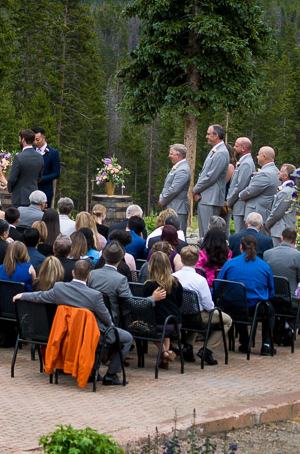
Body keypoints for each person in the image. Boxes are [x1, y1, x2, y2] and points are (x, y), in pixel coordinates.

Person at [14, 258, 133, 386]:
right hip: (90, 335)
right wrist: (113, 327)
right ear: (89, 275)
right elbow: (107, 319)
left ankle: (93, 372)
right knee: (126, 338)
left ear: (72, 273)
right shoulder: (95, 296)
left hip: (68, 334)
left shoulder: (59, 288)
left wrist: (22, 295)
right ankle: (111, 375)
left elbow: (40, 296)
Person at [217, 233, 276, 355]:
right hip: (256, 308)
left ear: (240, 247)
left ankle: (244, 342)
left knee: (237, 302)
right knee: (270, 312)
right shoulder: (265, 266)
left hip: (233, 307)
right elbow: (271, 291)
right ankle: (266, 344)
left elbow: (218, 285)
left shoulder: (230, 264)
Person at [173, 244, 225, 365]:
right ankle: (207, 349)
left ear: (181, 259)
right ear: (197, 260)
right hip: (195, 317)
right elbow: (209, 306)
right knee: (227, 321)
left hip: (178, 315)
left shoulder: (173, 277)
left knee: (195, 311)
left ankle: (188, 347)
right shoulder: (200, 280)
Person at [194, 123, 231, 237]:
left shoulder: (221, 152)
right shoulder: (215, 151)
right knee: (203, 232)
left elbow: (211, 176)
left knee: (208, 232)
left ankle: (208, 254)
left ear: (216, 135)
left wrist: (195, 189)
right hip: (206, 197)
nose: (206, 136)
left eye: (208, 134)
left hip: (211, 198)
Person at [157, 143, 193, 229]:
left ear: (178, 155)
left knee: (177, 234)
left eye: (171, 154)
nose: (169, 156)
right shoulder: (178, 167)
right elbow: (167, 186)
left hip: (178, 208)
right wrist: (161, 196)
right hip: (172, 207)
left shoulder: (183, 169)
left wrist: (163, 200)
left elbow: (174, 189)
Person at [240, 146, 281, 220]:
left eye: (259, 155)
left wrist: (240, 195)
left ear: (264, 157)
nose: (257, 157)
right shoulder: (276, 171)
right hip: (265, 212)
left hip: (257, 214)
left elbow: (250, 191)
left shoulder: (264, 174)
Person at [7, 129, 44, 208]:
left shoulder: (19, 157)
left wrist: (10, 189)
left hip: (19, 197)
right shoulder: (40, 157)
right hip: (35, 197)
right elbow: (39, 177)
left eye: (19, 138)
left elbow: (12, 179)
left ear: (23, 139)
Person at [225, 137, 255, 224]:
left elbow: (240, 186)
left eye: (236, 146)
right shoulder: (243, 161)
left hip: (240, 205)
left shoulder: (246, 163)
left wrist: (229, 201)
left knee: (240, 232)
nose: (234, 147)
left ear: (243, 148)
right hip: (238, 204)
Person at [266, 164, 298, 237]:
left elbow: (277, 213)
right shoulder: (293, 189)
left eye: (280, 171)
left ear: (286, 176)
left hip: (281, 230)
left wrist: (268, 224)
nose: (278, 173)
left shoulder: (285, 192)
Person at [33, 128, 60, 201]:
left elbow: (56, 173)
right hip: (31, 190)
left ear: (43, 138)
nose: (35, 142)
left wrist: (42, 179)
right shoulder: (31, 150)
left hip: (45, 190)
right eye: (33, 140)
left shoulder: (53, 153)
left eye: (37, 140)